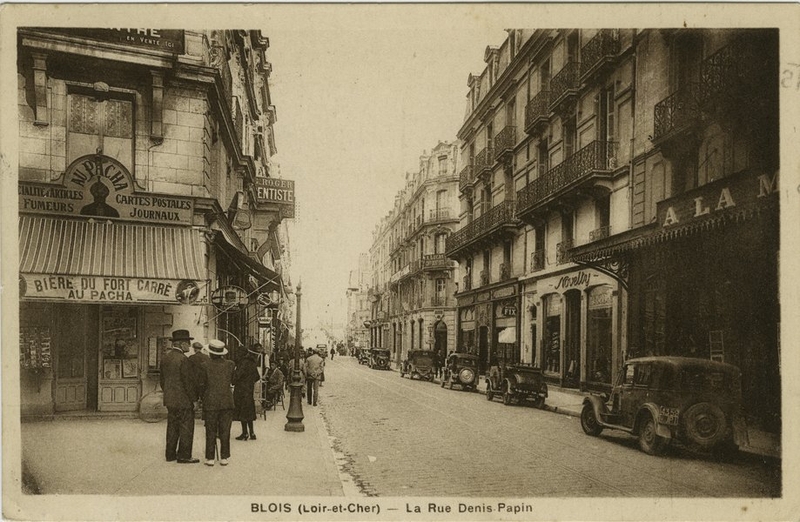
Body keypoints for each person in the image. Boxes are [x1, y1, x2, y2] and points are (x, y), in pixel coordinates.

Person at [160, 329, 199, 464]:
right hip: (184, 400)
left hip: (170, 399)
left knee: (172, 427)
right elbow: (188, 382)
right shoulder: (184, 360)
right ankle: (184, 455)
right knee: (186, 427)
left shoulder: (165, 358)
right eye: (188, 343)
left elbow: (162, 381)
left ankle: (170, 454)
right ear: (182, 344)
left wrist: (168, 392)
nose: (189, 346)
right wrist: (194, 400)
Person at [201, 340, 235, 466]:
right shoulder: (230, 364)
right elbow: (233, 380)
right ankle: (224, 456)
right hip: (227, 401)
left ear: (210, 353)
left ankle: (210, 457)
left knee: (210, 429)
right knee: (225, 430)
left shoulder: (204, 365)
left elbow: (202, 384)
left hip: (210, 401)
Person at [233, 345, 261, 441]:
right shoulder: (252, 362)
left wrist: (235, 380)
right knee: (249, 411)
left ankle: (245, 433)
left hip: (241, 390)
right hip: (249, 390)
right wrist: (249, 381)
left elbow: (237, 376)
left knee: (242, 412)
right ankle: (252, 433)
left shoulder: (242, 363)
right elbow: (257, 377)